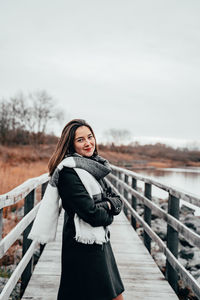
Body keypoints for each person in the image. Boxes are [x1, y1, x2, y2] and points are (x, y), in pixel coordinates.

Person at [47, 119, 125, 300]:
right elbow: (92, 214)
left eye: (90, 137)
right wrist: (109, 208)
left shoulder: (93, 167)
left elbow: (118, 201)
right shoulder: (68, 172)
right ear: (71, 144)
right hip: (82, 246)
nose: (88, 143)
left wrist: (107, 205)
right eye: (80, 140)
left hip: (99, 242)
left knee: (113, 294)